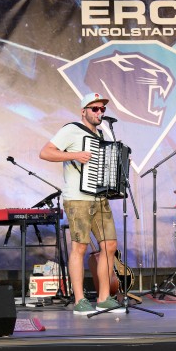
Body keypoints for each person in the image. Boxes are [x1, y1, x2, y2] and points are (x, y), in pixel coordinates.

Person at [39, 92, 125, 315]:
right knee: (80, 247)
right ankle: (79, 301)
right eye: (95, 109)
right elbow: (45, 152)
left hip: (100, 197)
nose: (99, 113)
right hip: (78, 198)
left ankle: (104, 298)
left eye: (102, 109)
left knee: (109, 246)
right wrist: (74, 155)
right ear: (83, 111)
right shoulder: (72, 129)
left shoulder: (103, 132)